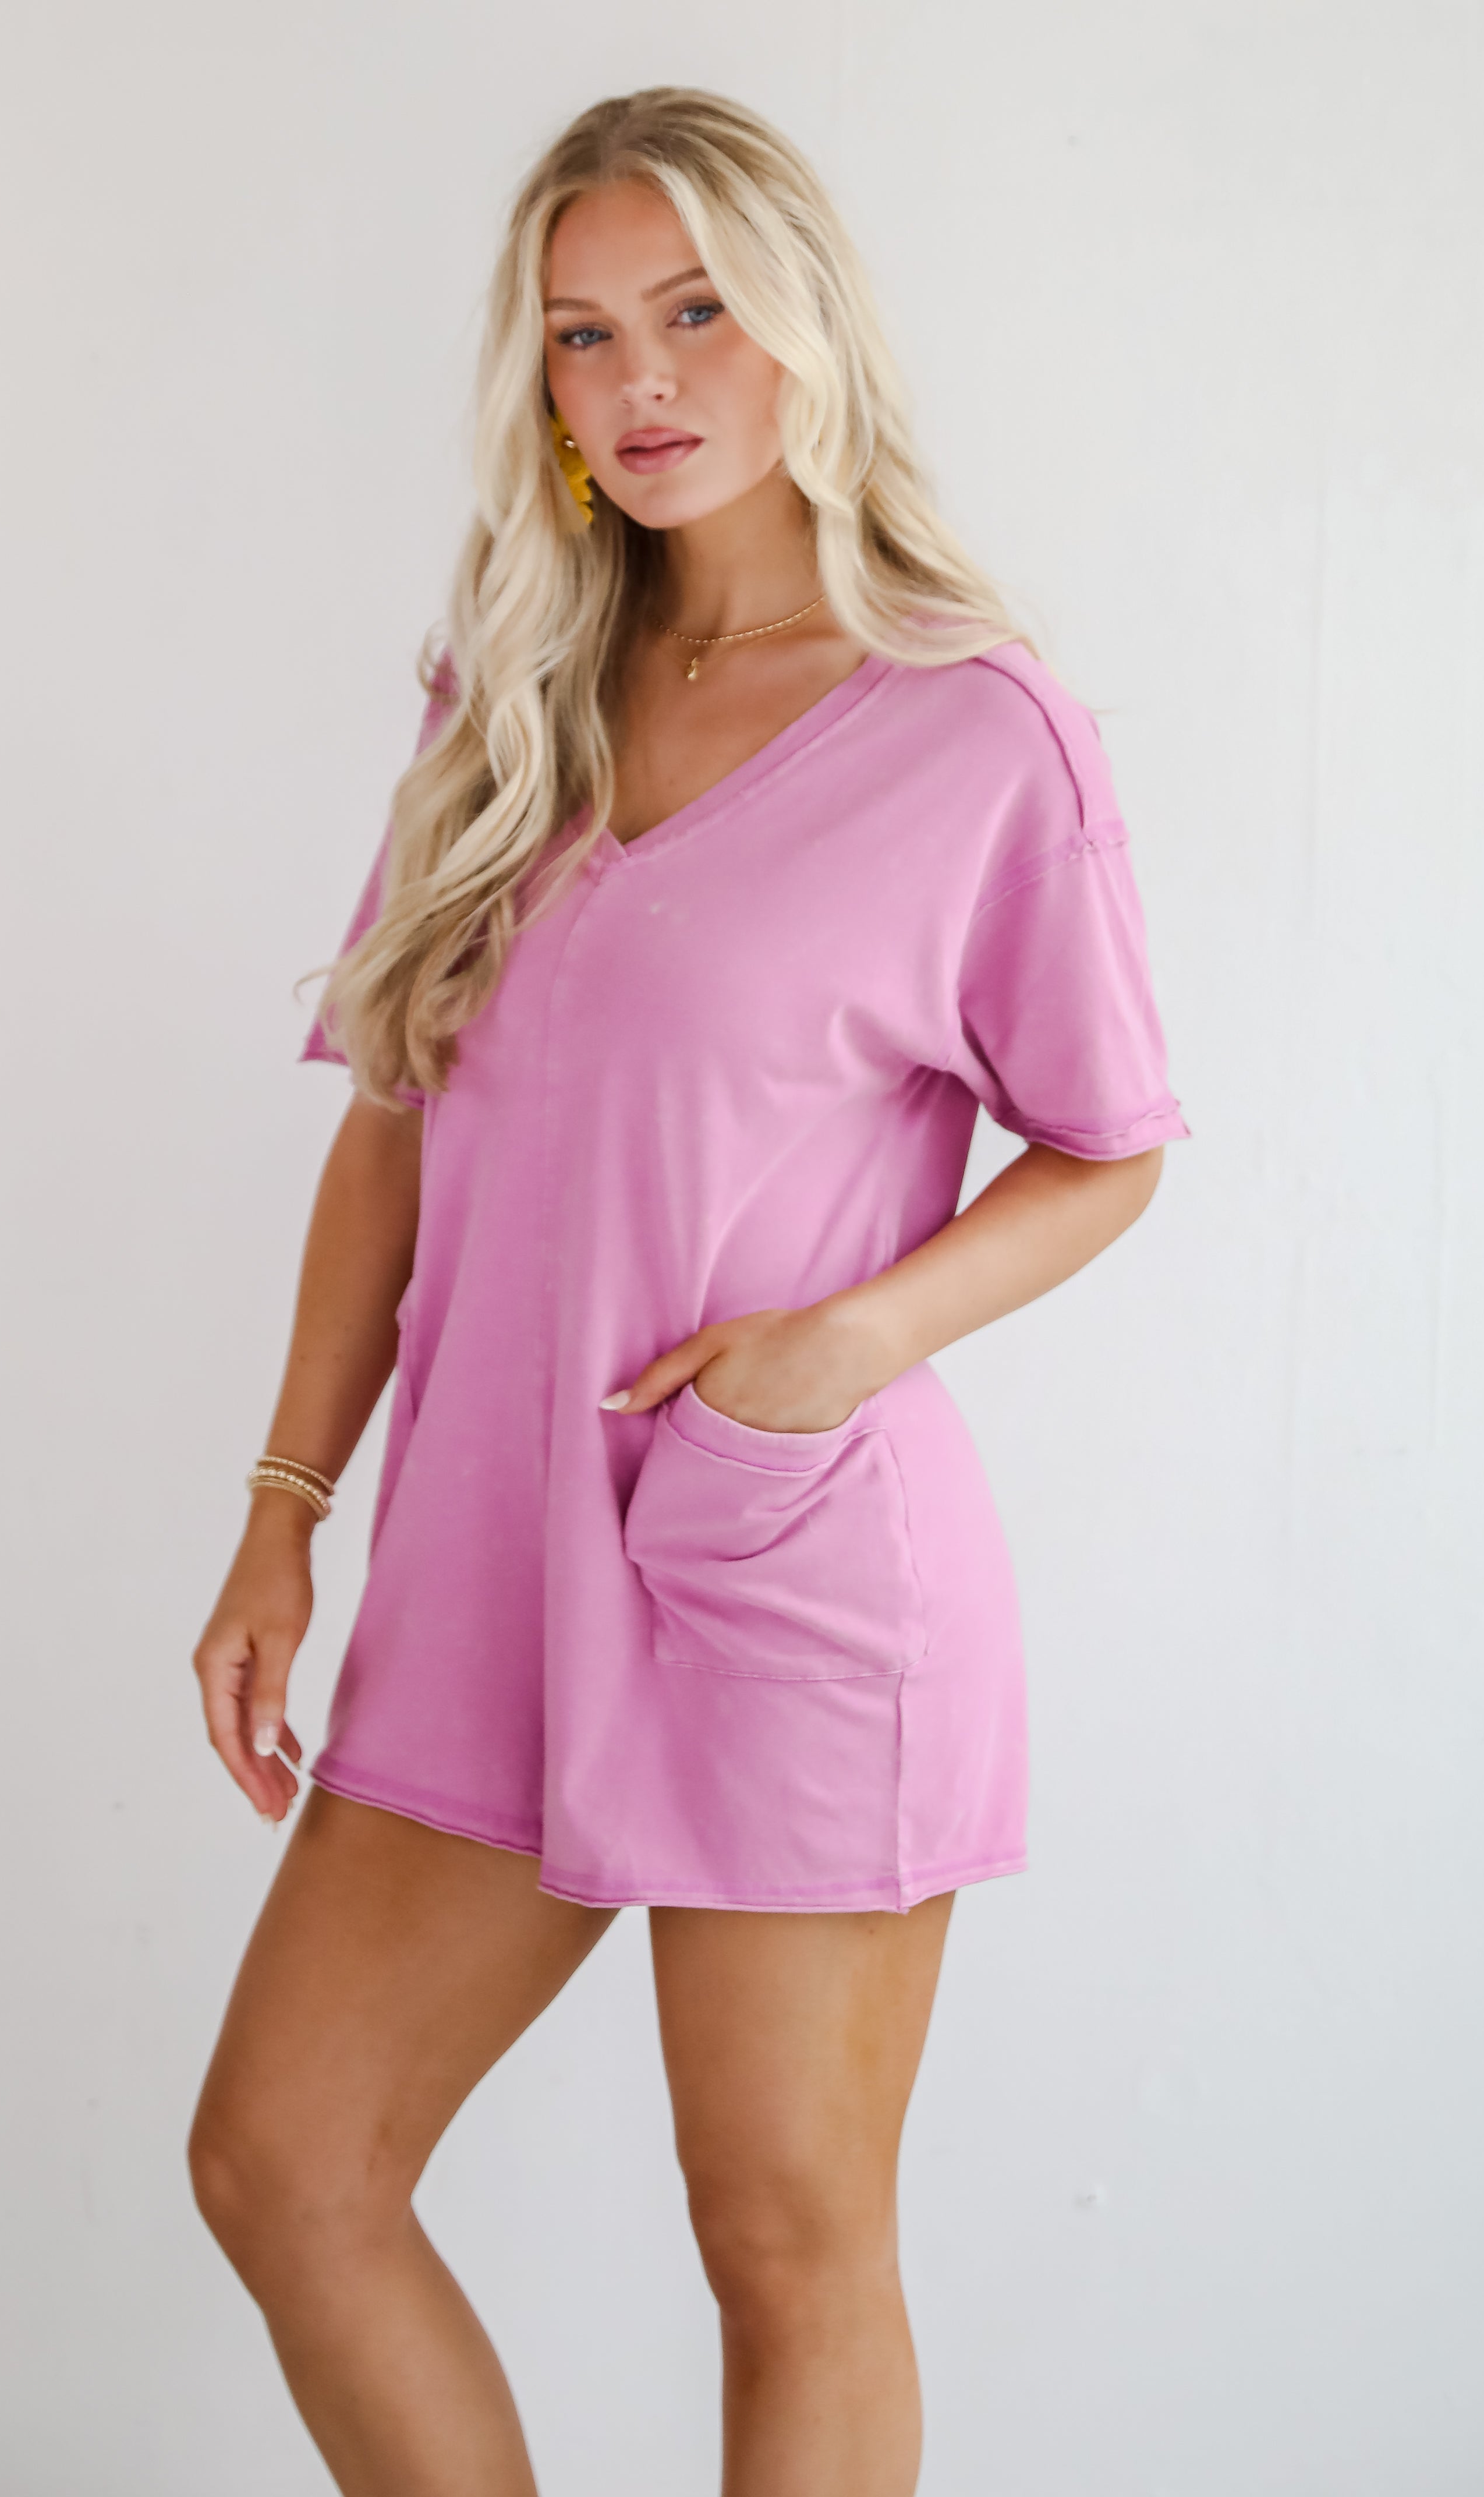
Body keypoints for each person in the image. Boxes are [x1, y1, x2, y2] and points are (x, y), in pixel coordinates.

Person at [187, 84, 1188, 2497]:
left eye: (697, 313)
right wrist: (283, 1508)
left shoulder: (974, 731)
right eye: (582, 333)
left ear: (806, 325)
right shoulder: (511, 692)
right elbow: (391, 1118)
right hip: (478, 1573)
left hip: (783, 1572)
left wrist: (849, 1341)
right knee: (288, 2165)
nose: (640, 381)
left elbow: (1110, 1144)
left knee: (785, 2246)